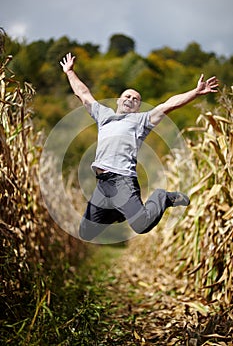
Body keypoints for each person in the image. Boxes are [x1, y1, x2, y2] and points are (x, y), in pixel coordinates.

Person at [60, 52, 219, 241]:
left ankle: (163, 197)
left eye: (136, 99)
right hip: (103, 184)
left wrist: (195, 92)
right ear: (118, 100)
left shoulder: (141, 121)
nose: (130, 99)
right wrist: (69, 72)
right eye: (127, 96)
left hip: (123, 180)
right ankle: (118, 212)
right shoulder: (104, 115)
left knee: (141, 225)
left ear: (138, 107)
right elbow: (83, 94)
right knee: (86, 233)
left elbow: (168, 105)